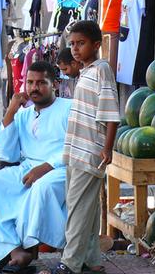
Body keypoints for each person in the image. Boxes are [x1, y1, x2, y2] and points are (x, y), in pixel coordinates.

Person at [0, 61, 72, 273]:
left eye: (41, 82)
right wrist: (11, 111)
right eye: (30, 82)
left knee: (42, 188)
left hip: (61, 168)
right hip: (28, 168)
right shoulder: (23, 113)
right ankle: (13, 249)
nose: (34, 87)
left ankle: (27, 248)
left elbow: (76, 146)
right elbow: (5, 154)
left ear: (55, 85)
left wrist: (46, 167)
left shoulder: (69, 108)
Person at [45, 20, 120, 274]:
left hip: (91, 151)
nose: (75, 49)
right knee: (86, 207)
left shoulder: (101, 70)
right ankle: (91, 259)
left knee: (77, 208)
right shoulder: (85, 72)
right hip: (76, 150)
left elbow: (111, 115)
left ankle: (70, 263)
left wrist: (107, 149)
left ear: (96, 45)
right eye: (72, 44)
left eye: (81, 43)